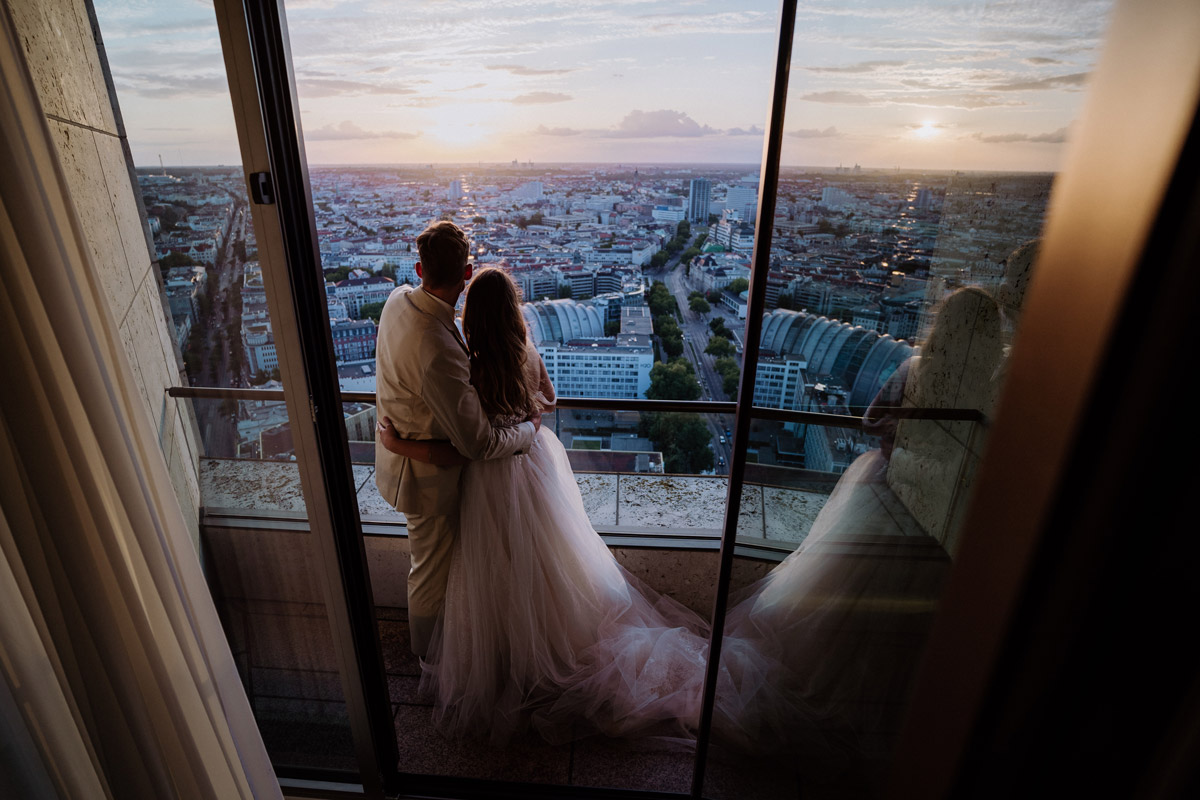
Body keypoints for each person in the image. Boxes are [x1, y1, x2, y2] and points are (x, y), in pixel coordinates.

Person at [378, 267, 743, 745]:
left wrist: (399, 446)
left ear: (472, 316)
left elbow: (468, 443)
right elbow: (549, 398)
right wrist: (528, 416)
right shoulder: (525, 352)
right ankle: (552, 643)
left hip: (487, 480)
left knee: (496, 569)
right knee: (552, 557)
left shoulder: (469, 364)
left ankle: (509, 654)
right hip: (534, 464)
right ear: (513, 310)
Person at [374, 221, 537, 659]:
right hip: (428, 480)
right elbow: (480, 445)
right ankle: (428, 661)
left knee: (430, 569)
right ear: (466, 273)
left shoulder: (395, 301)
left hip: (404, 458)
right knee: (429, 577)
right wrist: (528, 432)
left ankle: (444, 653)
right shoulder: (440, 350)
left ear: (418, 267)